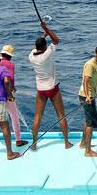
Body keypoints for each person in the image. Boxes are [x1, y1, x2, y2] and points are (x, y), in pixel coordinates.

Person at [28, 21, 73, 151]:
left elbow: (40, 43)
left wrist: (44, 34)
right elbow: (56, 40)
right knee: (61, 115)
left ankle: (34, 144)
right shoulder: (46, 55)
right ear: (44, 47)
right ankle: (66, 143)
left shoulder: (31, 56)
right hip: (53, 89)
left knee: (37, 117)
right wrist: (46, 28)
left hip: (41, 90)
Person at [0, 44, 29, 147]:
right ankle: (18, 140)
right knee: (14, 117)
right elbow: (10, 79)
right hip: (6, 95)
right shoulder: (10, 64)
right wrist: (12, 90)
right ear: (10, 55)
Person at [78, 45, 97, 157]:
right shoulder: (90, 64)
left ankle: (83, 143)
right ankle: (88, 151)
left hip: (92, 95)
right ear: (95, 53)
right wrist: (87, 96)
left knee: (88, 120)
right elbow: (86, 81)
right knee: (90, 123)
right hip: (86, 96)